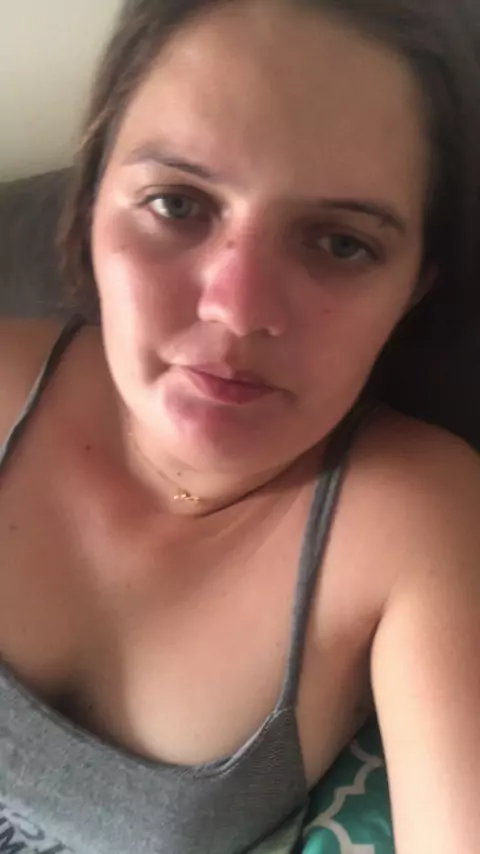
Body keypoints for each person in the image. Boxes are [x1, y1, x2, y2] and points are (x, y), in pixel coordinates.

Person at [1, 0, 480, 852]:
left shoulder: (414, 518)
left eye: (340, 243)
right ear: (90, 203)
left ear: (413, 286)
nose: (237, 308)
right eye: (177, 203)